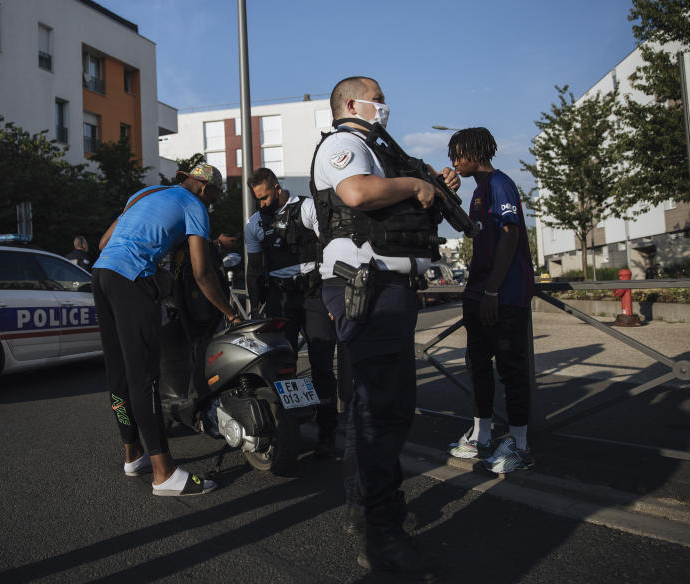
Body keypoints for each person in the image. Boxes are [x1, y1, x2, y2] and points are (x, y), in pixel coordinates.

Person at [310, 76, 459, 576]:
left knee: (370, 408)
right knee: (384, 412)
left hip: (382, 289)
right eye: (378, 98)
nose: (385, 106)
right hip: (366, 289)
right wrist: (415, 185)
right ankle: (382, 535)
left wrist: (430, 185)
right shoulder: (343, 143)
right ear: (352, 104)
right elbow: (355, 192)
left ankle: (366, 508)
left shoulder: (373, 147)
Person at [93, 163, 242, 496]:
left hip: (102, 275)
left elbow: (104, 243)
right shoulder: (195, 206)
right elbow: (203, 274)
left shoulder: (144, 193)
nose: (213, 202)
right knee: (144, 379)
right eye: (215, 195)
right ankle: (164, 473)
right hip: (132, 280)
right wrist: (230, 313)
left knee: (118, 376)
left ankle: (133, 455)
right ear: (205, 188)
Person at [445, 127, 536, 474]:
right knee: (478, 364)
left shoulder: (500, 184)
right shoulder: (477, 191)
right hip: (478, 291)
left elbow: (510, 234)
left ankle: (520, 446)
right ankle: (481, 436)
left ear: (477, 152)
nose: (455, 161)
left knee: (511, 368)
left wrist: (493, 290)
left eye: (459, 155)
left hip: (505, 293)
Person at [243, 167, 339, 457]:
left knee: (322, 363)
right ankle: (287, 432)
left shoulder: (307, 207)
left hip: (313, 294)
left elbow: (332, 247)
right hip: (279, 299)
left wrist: (335, 295)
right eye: (257, 199)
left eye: (264, 197)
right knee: (281, 367)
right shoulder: (256, 223)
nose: (261, 204)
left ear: (276, 186)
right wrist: (254, 308)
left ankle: (327, 436)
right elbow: (255, 270)